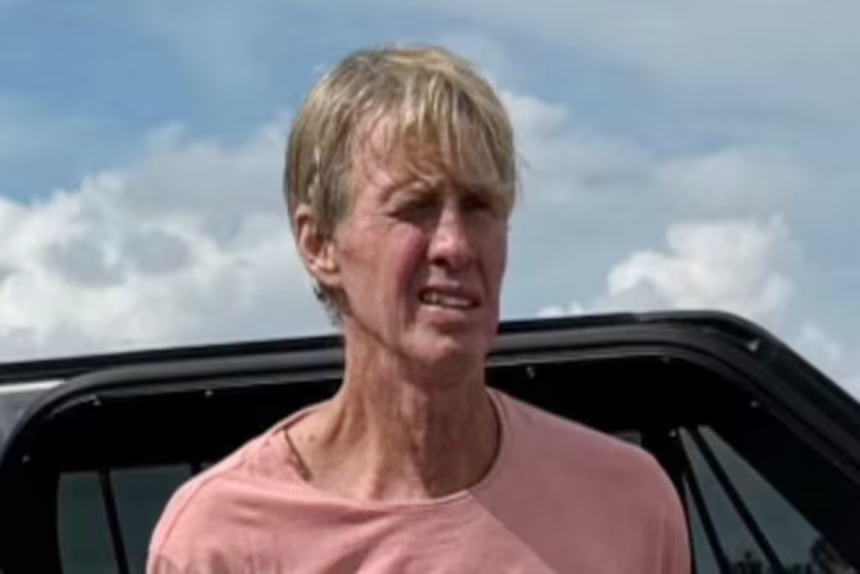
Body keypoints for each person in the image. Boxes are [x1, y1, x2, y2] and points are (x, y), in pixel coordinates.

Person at [146, 44, 691, 574]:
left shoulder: (627, 503)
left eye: (479, 207)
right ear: (319, 244)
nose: (455, 245)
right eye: (416, 208)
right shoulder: (222, 540)